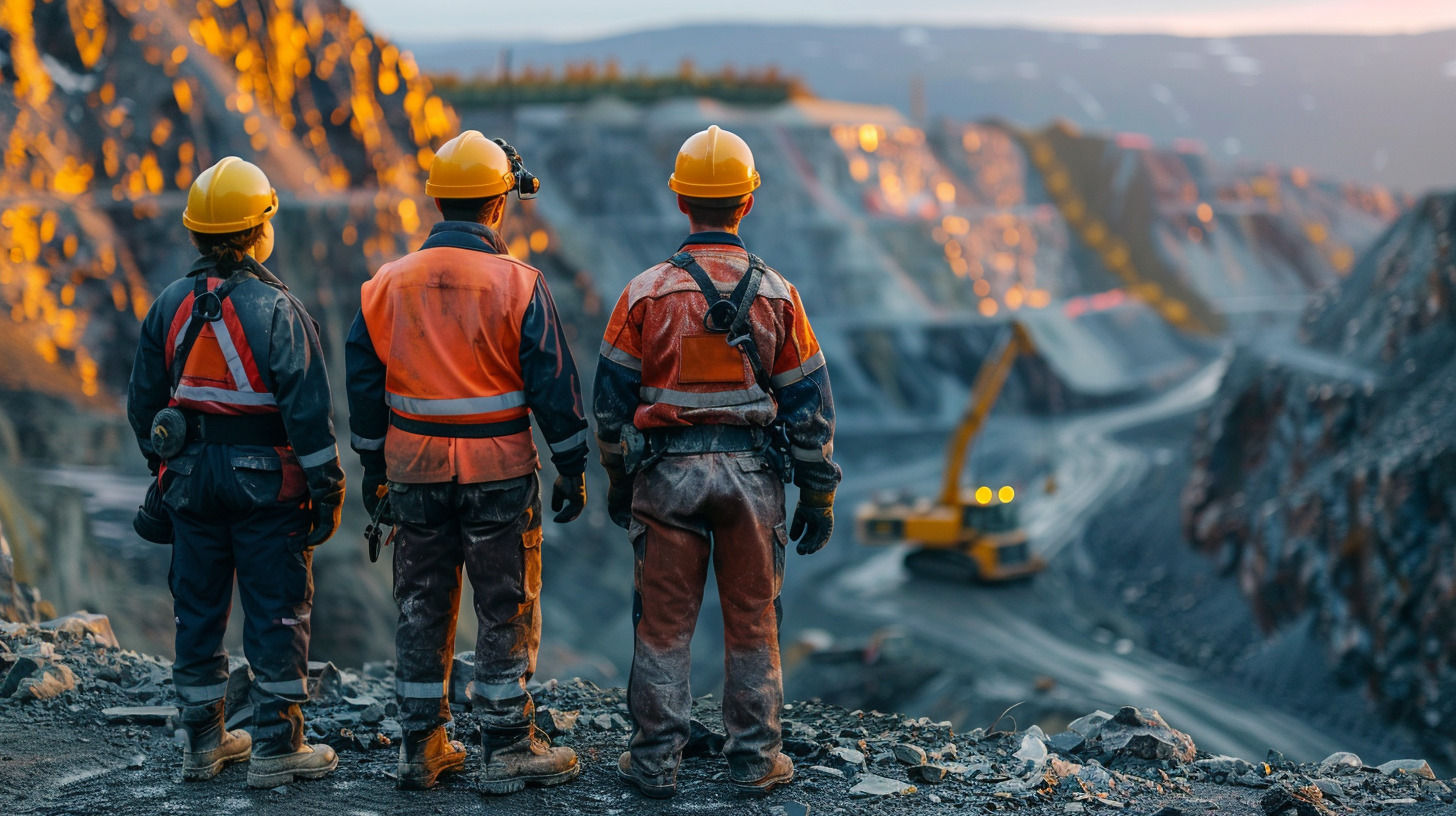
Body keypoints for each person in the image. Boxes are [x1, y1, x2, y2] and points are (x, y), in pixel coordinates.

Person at [595, 125, 840, 798]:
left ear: (681, 202)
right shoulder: (779, 295)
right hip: (752, 483)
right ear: (747, 202)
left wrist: (620, 484)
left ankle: (652, 764)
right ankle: (756, 761)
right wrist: (817, 493)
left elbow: (610, 407)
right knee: (754, 623)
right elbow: (809, 406)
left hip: (666, 478)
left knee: (664, 626)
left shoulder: (645, 293)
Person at [345, 130, 589, 793]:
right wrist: (572, 464)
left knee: (422, 601)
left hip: (414, 472)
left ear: (439, 202)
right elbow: (554, 384)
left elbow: (364, 386)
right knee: (505, 603)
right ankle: (507, 746)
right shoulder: (518, 284)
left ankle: (420, 747)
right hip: (499, 473)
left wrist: (373, 468)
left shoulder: (386, 285)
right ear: (498, 203)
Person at [127, 157, 345, 788]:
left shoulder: (168, 305)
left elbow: (145, 406)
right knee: (276, 609)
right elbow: (309, 416)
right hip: (267, 490)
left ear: (196, 233)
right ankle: (278, 747)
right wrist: (326, 495)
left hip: (191, 485)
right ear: (259, 230)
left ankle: (204, 744)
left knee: (196, 608)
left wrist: (167, 469)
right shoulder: (279, 311)